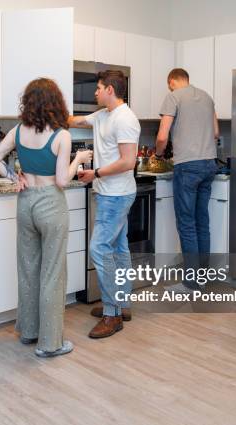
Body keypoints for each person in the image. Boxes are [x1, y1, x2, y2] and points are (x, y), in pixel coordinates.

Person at [0, 78, 92, 357]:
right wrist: (78, 161)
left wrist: (14, 177)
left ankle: (29, 332)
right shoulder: (61, 136)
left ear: (29, 103)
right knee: (52, 273)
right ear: (56, 103)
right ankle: (50, 343)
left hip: (26, 203)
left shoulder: (19, 131)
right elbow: (61, 180)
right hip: (50, 203)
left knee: (28, 269)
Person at [69, 70, 140, 339]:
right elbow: (73, 119)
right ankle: (122, 305)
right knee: (119, 250)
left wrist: (95, 173)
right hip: (108, 192)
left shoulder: (126, 119)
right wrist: (46, 112)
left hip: (116, 194)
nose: (95, 92)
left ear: (110, 89)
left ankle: (112, 314)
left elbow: (127, 162)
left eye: (98, 88)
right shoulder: (102, 115)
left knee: (98, 248)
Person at [155, 68, 219, 292]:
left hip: (188, 167)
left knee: (187, 224)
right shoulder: (207, 97)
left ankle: (191, 283)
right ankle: (202, 277)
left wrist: (159, 154)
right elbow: (216, 133)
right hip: (210, 164)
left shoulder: (173, 96)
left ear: (171, 81)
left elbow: (162, 136)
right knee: (202, 222)